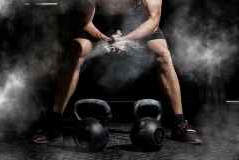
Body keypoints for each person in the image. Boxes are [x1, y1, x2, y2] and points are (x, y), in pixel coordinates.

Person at [32, 0, 202, 144]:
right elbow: (85, 23)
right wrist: (106, 40)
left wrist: (124, 40)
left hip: (138, 25)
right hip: (99, 25)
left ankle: (180, 124)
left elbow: (153, 20)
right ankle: (54, 124)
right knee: (76, 50)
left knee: (163, 54)